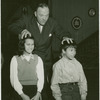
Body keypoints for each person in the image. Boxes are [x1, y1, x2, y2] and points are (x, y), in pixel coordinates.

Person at [8, 3, 73, 100]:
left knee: (45, 88)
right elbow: (11, 26)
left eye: (47, 15)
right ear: (35, 14)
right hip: (30, 59)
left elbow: (62, 31)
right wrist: (21, 31)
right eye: (41, 15)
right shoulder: (26, 19)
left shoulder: (52, 22)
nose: (44, 18)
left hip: (46, 60)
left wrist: (65, 36)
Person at [10, 35, 44, 100]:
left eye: (32, 44)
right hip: (19, 90)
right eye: (28, 44)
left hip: (35, 90)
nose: (31, 47)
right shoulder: (15, 59)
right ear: (23, 45)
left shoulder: (38, 58)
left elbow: (41, 79)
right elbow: (14, 80)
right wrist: (22, 95)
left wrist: (38, 94)